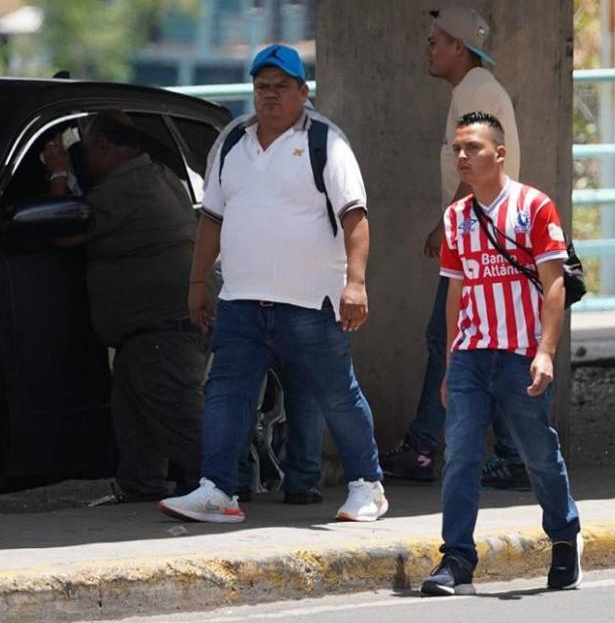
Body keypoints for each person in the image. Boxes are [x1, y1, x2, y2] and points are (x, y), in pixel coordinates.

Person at [158, 44, 387, 524]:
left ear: (303, 92)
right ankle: (218, 489)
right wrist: (198, 282)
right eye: (262, 87)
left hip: (311, 300)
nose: (270, 96)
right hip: (241, 299)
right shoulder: (231, 142)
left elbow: (356, 217)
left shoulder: (328, 142)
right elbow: (212, 219)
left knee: (336, 393)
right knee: (225, 393)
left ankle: (367, 486)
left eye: (282, 87)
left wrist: (356, 283)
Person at [420, 111, 582, 596]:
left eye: (473, 148)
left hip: (520, 352)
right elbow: (454, 294)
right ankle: (456, 559)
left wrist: (546, 351)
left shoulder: (534, 207)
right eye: (457, 150)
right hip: (471, 353)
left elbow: (554, 287)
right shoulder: (456, 217)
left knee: (537, 454)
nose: (463, 157)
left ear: (500, 153)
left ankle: (563, 537)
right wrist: (450, 364)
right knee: (461, 454)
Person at [380, 6, 530, 491]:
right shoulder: (473, 90)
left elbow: (481, 164)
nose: (427, 50)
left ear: (458, 48)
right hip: (481, 232)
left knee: (453, 341)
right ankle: (500, 452)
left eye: (434, 41)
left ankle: (428, 448)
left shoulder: (477, 92)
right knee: (476, 344)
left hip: (480, 236)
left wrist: (450, 226)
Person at [43, 111, 206, 502]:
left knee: (176, 417)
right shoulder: (156, 174)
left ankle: (227, 484)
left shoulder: (128, 187)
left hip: (160, 329)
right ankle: (141, 489)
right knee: (135, 419)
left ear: (102, 147)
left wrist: (58, 174)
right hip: (152, 330)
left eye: (87, 149)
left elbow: (61, 230)